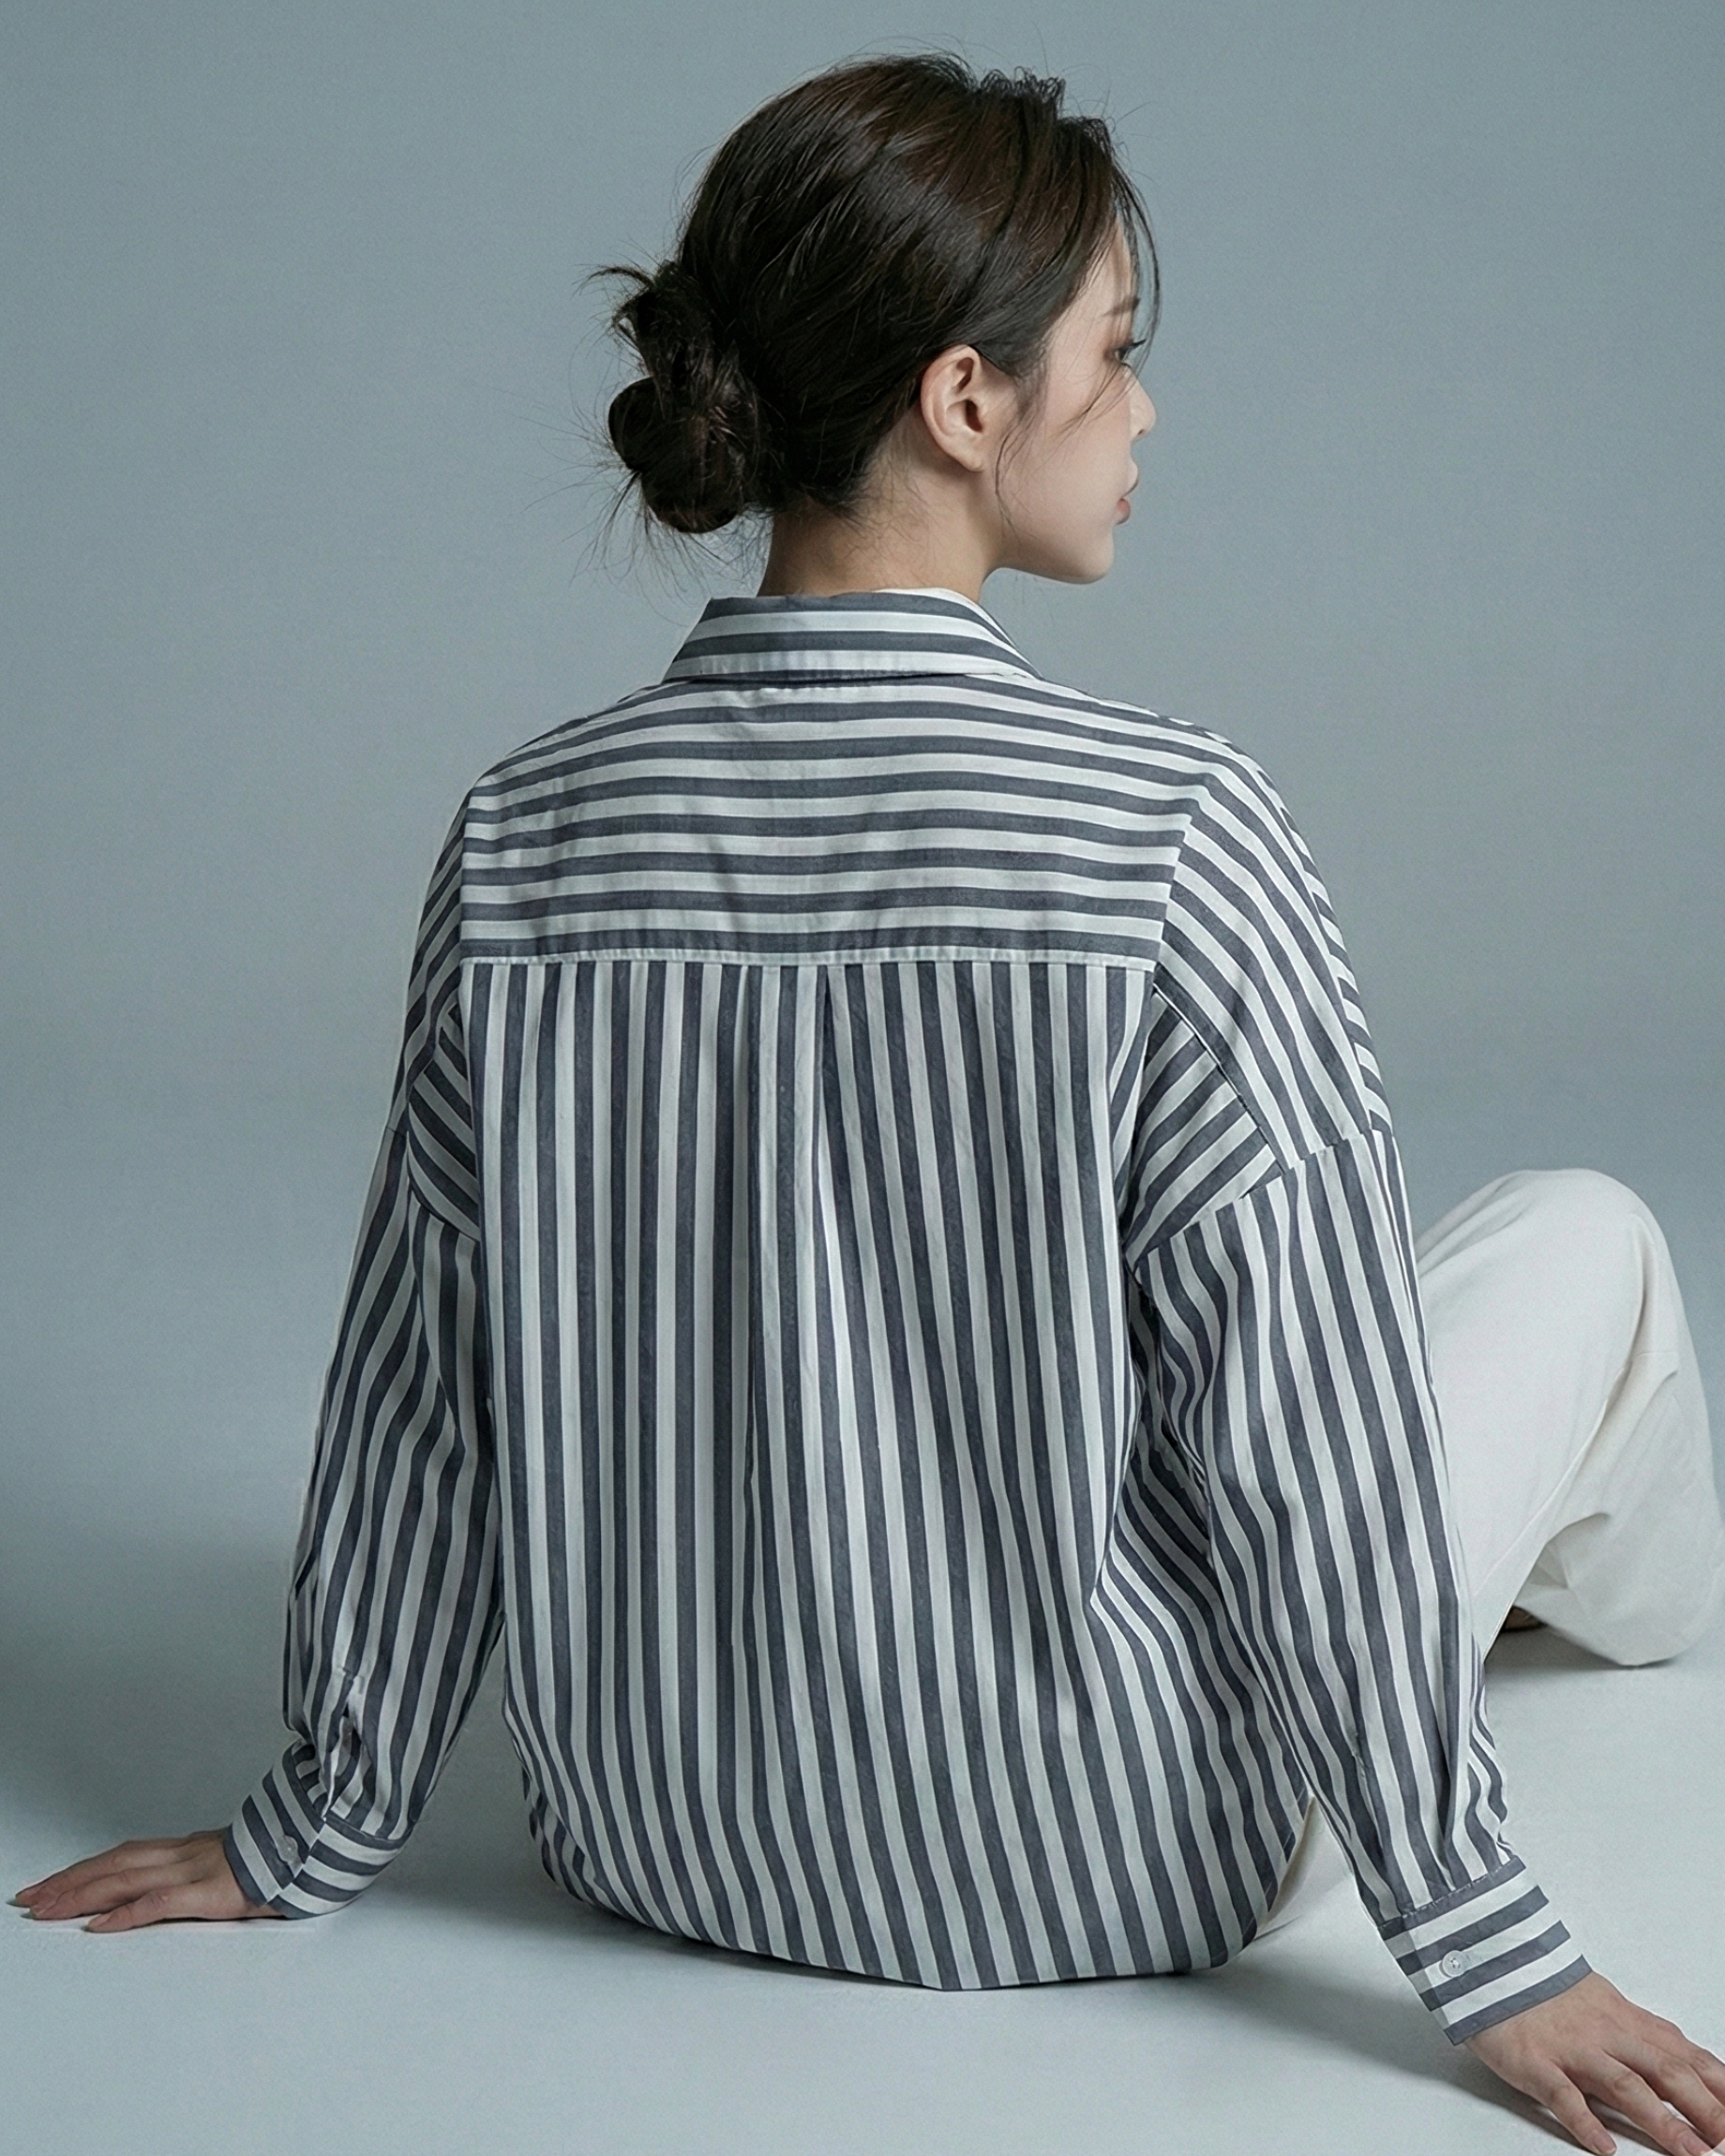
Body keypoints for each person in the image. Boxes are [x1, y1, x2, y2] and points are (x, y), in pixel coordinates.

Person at [15, 51, 1725, 2156]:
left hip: (657, 1837)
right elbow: (1306, 1423)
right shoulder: (1172, 832)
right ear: (965, 400)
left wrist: (321, 1817)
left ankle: (1519, 1593)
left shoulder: (519, 837)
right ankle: (1637, 1604)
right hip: (1119, 1853)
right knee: (1581, 1240)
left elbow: (420, 1386)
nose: (1150, 412)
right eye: (1119, 353)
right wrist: (1485, 1937)